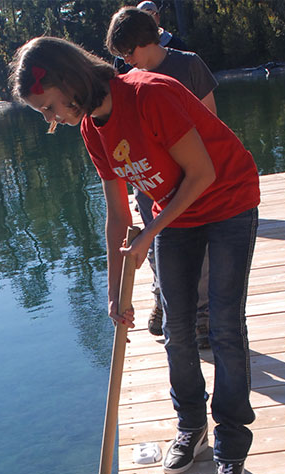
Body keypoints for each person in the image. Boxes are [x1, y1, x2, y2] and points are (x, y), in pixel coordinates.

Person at [9, 36, 260, 474]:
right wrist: (112, 292)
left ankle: (231, 450)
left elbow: (203, 173)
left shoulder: (149, 94)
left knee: (224, 327)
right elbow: (118, 215)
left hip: (227, 199)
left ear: (67, 82)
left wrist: (150, 234)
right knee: (176, 328)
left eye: (47, 106)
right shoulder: (91, 129)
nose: (50, 119)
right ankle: (192, 428)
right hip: (177, 213)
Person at [108, 5, 217, 348]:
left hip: (190, 180)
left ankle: (202, 314)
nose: (125, 60)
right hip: (150, 184)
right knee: (154, 244)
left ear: (144, 41)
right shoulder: (125, 80)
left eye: (127, 52)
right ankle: (162, 296)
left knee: (200, 249)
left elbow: (212, 123)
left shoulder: (188, 64)